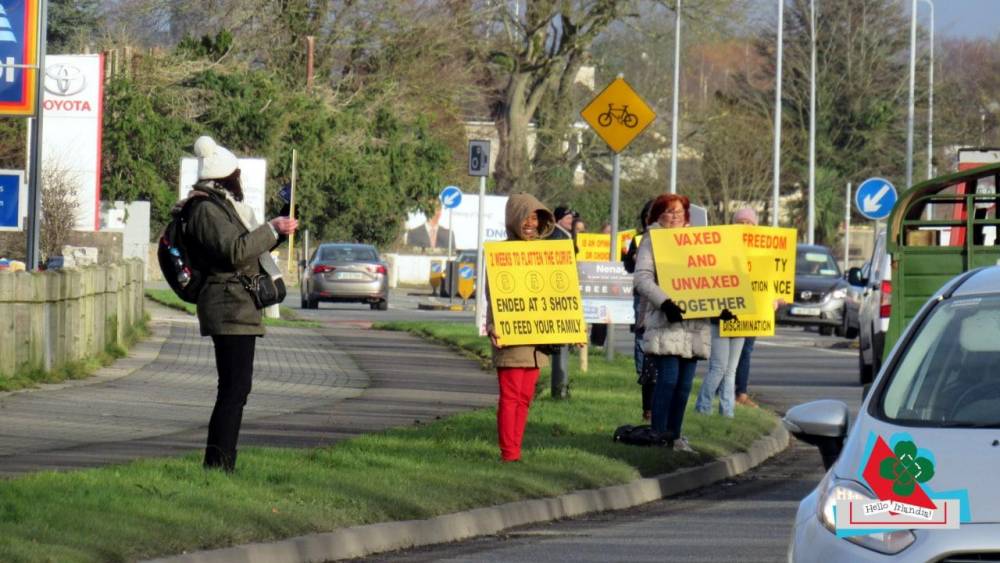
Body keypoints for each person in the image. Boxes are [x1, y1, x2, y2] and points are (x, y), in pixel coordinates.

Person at [182, 135, 298, 472]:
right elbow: (234, 252)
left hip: (236, 305)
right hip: (228, 305)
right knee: (233, 389)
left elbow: (245, 250)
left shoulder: (219, 207)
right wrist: (271, 229)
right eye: (236, 175)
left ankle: (220, 463)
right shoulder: (206, 209)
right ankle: (218, 464)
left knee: (236, 389)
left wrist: (277, 230)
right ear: (226, 177)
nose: (240, 181)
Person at [634, 194, 710, 451]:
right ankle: (658, 435)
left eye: (679, 212)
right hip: (665, 320)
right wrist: (665, 302)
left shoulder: (699, 241)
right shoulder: (652, 240)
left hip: (693, 323)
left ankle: (675, 436)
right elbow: (642, 279)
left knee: (685, 383)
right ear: (657, 215)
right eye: (668, 212)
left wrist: (720, 306)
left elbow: (712, 276)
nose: (674, 216)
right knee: (668, 378)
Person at [486, 193, 555, 462]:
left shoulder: (548, 254)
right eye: (525, 216)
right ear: (513, 219)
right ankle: (509, 453)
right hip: (511, 335)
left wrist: (574, 329)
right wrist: (493, 324)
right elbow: (493, 294)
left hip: (539, 339)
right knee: (511, 396)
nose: (530, 223)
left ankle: (515, 449)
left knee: (525, 397)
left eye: (536, 217)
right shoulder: (501, 253)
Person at [694, 207, 757, 418]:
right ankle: (703, 407)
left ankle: (727, 411)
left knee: (731, 369)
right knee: (719, 367)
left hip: (744, 318)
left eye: (749, 223)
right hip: (721, 317)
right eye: (741, 222)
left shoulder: (758, 253)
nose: (745, 226)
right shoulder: (721, 247)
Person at [624, 199, 655, 421]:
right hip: (641, 295)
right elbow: (627, 266)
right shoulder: (636, 239)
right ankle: (640, 368)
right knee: (641, 333)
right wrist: (631, 258)